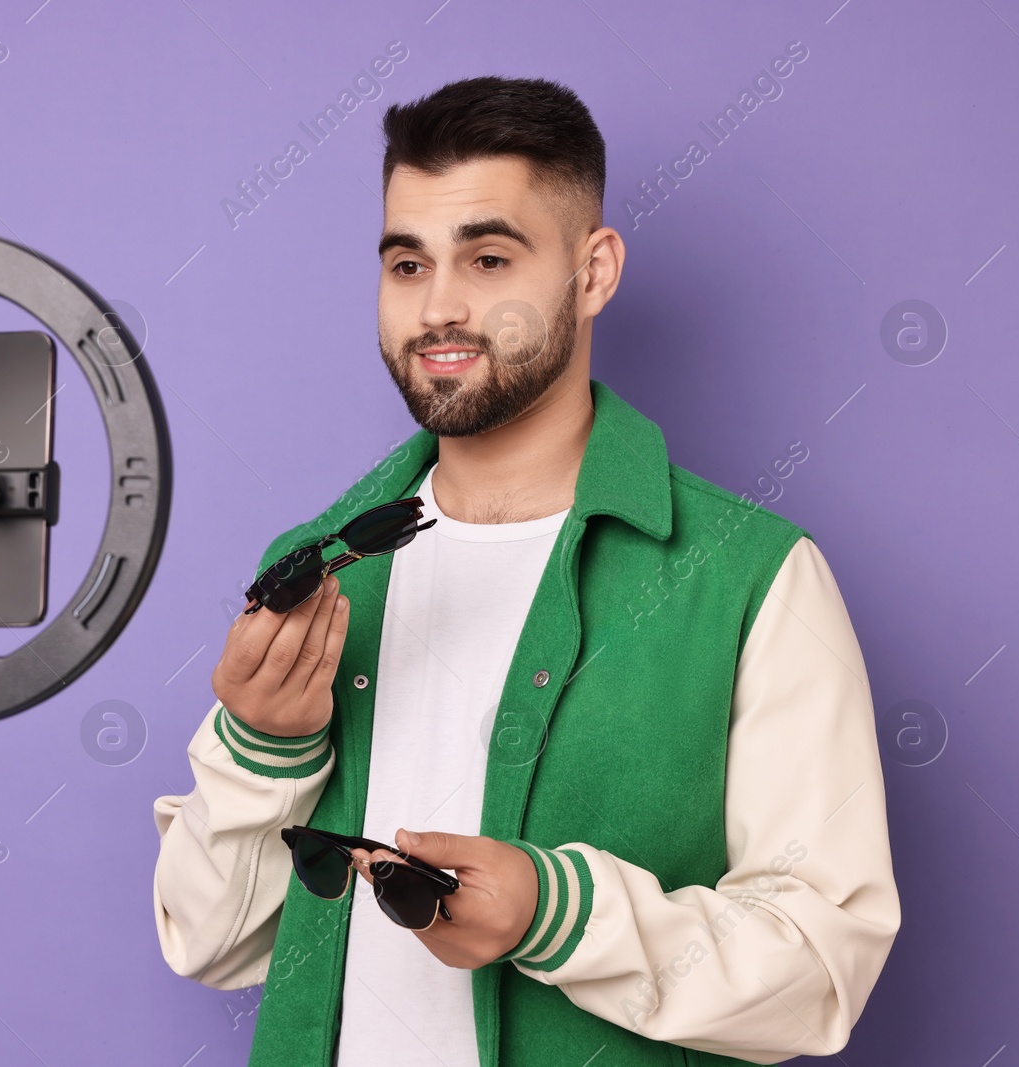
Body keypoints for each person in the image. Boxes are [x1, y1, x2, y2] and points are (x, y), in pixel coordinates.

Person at [152, 75, 899, 1067]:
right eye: (407, 263)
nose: (440, 308)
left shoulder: (755, 578)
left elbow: (820, 969)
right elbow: (212, 942)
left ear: (592, 272)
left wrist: (558, 913)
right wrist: (263, 749)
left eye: (489, 257)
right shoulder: (320, 572)